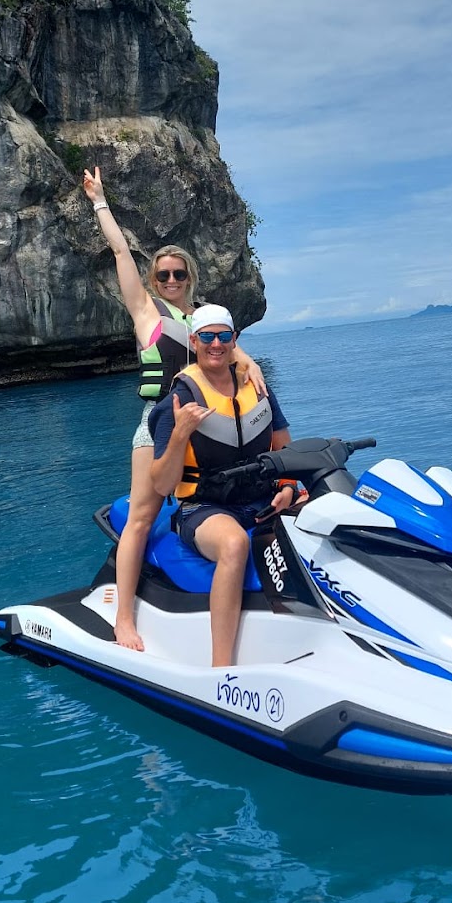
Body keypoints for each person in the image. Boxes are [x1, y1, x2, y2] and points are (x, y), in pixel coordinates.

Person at [82, 167, 266, 652]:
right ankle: (123, 618)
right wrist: (100, 201)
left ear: (190, 279)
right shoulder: (147, 313)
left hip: (210, 428)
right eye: (162, 274)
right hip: (160, 426)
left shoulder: (208, 323)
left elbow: (232, 352)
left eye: (177, 274)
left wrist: (250, 364)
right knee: (141, 517)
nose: (169, 280)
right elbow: (121, 251)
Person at [150, 305, 296, 667]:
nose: (216, 344)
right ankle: (221, 666)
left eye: (224, 336)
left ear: (234, 340)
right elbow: (161, 482)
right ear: (194, 341)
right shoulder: (179, 400)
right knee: (233, 545)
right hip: (204, 508)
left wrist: (290, 485)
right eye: (208, 337)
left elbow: (285, 448)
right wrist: (181, 431)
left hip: (262, 500)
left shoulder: (257, 386)